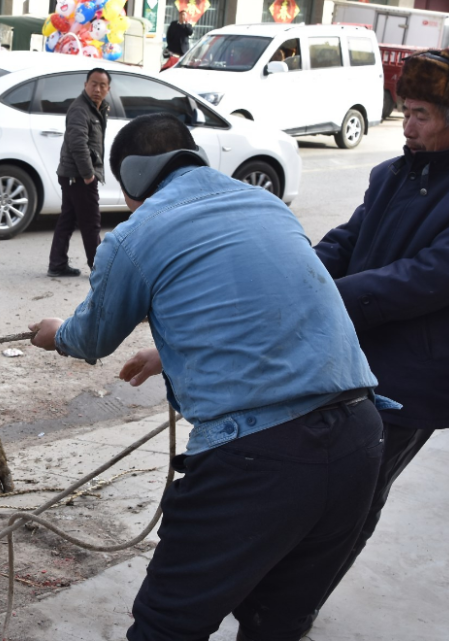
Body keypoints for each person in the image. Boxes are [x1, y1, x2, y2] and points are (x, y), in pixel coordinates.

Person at [29, 113, 386, 641]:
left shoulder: (137, 234)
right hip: (360, 436)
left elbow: (90, 339)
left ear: (131, 178)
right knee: (276, 621)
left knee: (168, 625)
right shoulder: (264, 203)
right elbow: (255, 304)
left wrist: (54, 332)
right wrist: (166, 352)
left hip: (259, 460)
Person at [313, 47, 449, 610]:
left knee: (358, 497)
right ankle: (286, 589)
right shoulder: (391, 173)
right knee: (317, 485)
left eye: (420, 114)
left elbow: (425, 279)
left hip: (415, 376)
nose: (407, 125)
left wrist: (327, 299)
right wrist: (298, 272)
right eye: (405, 109)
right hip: (354, 358)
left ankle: (297, 605)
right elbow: (349, 239)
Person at [48, 68, 110, 278]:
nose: (97, 89)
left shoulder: (98, 109)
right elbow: (77, 143)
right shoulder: (80, 109)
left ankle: (57, 264)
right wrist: (88, 174)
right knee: (91, 222)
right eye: (93, 83)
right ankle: (99, 268)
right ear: (85, 85)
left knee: (68, 218)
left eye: (102, 85)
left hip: (73, 174)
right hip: (78, 175)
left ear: (108, 89)